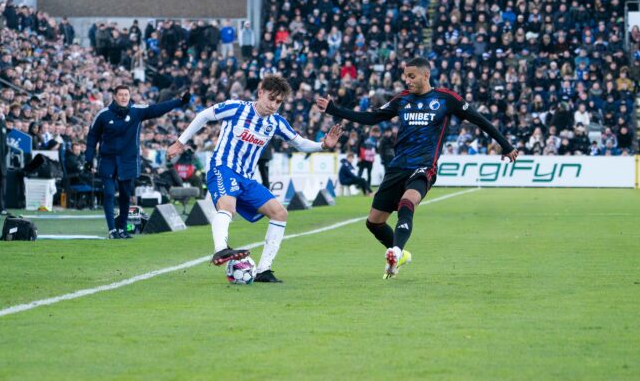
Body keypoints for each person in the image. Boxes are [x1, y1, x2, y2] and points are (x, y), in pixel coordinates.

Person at [316, 57, 518, 279]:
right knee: (374, 222)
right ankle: (399, 254)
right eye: (405, 76)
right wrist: (334, 109)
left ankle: (396, 251)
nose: (407, 81)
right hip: (397, 167)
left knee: (408, 201)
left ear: (425, 75)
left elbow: (480, 120)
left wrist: (506, 146)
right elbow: (371, 117)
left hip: (424, 166)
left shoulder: (446, 99)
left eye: (411, 76)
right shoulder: (402, 100)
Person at [167, 75, 342, 283]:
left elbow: (300, 143)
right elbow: (205, 115)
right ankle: (221, 250)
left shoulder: (276, 122)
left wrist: (322, 145)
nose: (273, 105)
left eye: (278, 102)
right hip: (223, 167)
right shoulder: (237, 108)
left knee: (279, 213)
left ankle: (263, 270)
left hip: (246, 178)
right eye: (271, 98)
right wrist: (180, 141)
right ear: (260, 93)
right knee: (227, 206)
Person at [85, 85, 190, 239]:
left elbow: (157, 109)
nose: (123, 97)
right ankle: (112, 230)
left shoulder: (137, 111)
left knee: (126, 196)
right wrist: (88, 158)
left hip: (128, 160)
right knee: (108, 194)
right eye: (120, 95)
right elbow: (92, 136)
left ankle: (121, 229)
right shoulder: (103, 115)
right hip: (108, 160)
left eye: (126, 94)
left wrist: (179, 101)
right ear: (114, 96)